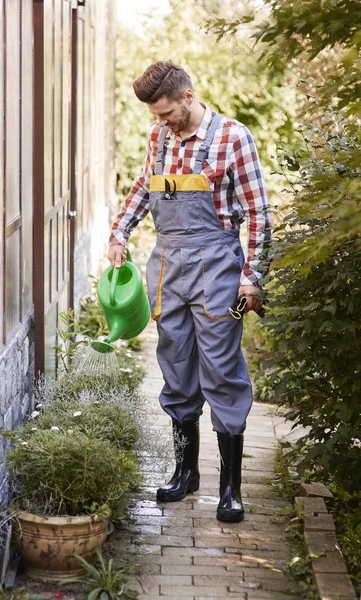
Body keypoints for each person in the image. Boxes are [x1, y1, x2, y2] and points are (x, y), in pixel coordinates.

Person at [108, 60, 271, 523]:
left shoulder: (233, 138)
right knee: (176, 367)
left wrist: (252, 276)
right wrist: (120, 232)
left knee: (221, 370)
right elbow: (144, 186)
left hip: (217, 264)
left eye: (166, 113)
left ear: (188, 95)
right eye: (155, 116)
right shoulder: (159, 137)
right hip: (167, 266)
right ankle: (186, 474)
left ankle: (230, 488)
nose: (160, 123)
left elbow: (259, 212)